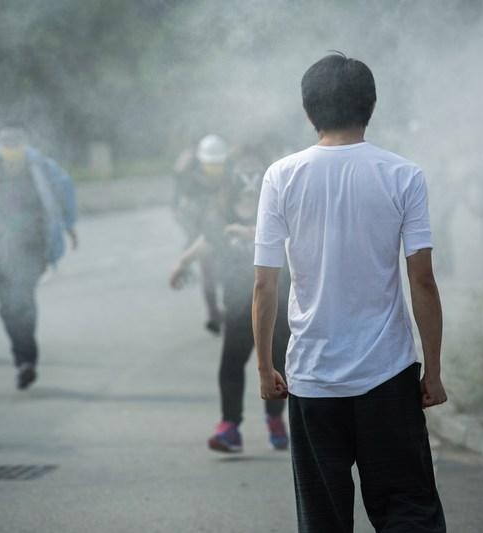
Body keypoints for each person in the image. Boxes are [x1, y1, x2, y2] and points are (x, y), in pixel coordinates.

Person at [252, 53, 447, 532]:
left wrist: (264, 367)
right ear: (371, 106)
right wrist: (434, 371)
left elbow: (264, 283)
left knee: (324, 520)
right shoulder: (403, 175)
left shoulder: (281, 176)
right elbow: (422, 280)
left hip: (313, 377)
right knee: (408, 512)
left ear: (308, 110)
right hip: (388, 375)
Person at [170, 150, 290, 452]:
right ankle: (230, 426)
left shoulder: (278, 209)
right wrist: (182, 263)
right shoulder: (222, 213)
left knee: (278, 363)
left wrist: (250, 232)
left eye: (254, 169)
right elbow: (208, 240)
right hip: (238, 303)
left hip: (276, 302)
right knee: (231, 363)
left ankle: (275, 418)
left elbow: (296, 239)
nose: (248, 178)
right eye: (242, 170)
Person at [0, 125, 77, 389]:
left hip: (31, 246)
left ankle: (26, 360)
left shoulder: (42, 168)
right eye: (6, 140)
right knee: (7, 306)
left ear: (25, 142)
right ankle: (22, 357)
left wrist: (69, 225)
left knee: (22, 299)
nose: (11, 145)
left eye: (16, 140)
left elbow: (64, 190)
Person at [172, 134, 230, 334]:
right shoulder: (189, 179)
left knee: (226, 271)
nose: (214, 169)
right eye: (210, 165)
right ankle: (214, 314)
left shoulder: (229, 175)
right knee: (209, 272)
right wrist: (196, 236)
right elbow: (183, 210)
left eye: (218, 164)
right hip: (202, 231)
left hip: (224, 230)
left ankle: (229, 309)